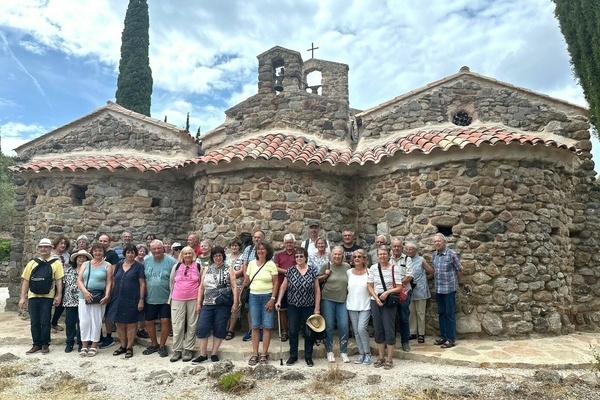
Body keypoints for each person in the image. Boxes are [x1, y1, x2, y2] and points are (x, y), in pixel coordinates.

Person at [275, 246, 320, 367]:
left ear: (305, 257)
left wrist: (317, 308)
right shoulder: (290, 270)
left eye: (301, 256)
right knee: (293, 330)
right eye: (297, 256)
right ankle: (293, 355)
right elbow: (284, 286)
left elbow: (317, 290)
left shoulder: (312, 270)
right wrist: (278, 300)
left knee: (309, 331)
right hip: (293, 305)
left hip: (308, 305)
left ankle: (308, 357)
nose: (299, 258)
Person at [192, 246, 238, 363]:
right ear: (212, 257)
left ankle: (214, 353)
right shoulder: (207, 269)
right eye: (215, 256)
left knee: (220, 327)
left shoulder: (229, 269)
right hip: (207, 303)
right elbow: (201, 288)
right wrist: (199, 303)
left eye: (220, 255)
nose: (218, 258)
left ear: (223, 256)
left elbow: (234, 286)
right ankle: (203, 354)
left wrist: (236, 302)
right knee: (202, 327)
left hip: (223, 303)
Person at [19, 238, 64, 355]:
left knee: (45, 321)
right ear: (38, 249)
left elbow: (59, 281)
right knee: (34, 321)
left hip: (47, 296)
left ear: (50, 249)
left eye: (46, 247)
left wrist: (58, 295)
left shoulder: (56, 263)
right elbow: (26, 281)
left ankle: (45, 344)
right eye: (41, 247)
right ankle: (36, 344)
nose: (43, 249)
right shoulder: (32, 263)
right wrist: (23, 297)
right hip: (33, 296)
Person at [242, 240, 279, 366]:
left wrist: (273, 299)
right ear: (256, 251)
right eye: (259, 249)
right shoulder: (251, 264)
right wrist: (240, 294)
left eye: (263, 249)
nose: (261, 251)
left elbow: (276, 283)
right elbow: (246, 280)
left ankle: (264, 354)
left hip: (267, 296)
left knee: (267, 326)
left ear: (267, 251)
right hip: (254, 297)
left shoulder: (271, 264)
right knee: (255, 326)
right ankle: (254, 353)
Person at [107, 245, 146, 359]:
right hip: (118, 298)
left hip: (132, 299)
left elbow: (142, 284)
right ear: (125, 253)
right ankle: (122, 346)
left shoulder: (139, 267)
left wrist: (141, 300)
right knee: (119, 323)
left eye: (132, 252)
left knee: (131, 324)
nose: (130, 254)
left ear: (135, 254)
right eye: (128, 252)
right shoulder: (119, 265)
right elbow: (114, 281)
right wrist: (110, 295)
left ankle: (129, 347)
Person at [367, 245, 402, 370]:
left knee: (389, 329)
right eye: (380, 254)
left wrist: (386, 293)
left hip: (388, 302)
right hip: (375, 301)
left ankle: (389, 359)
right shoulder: (373, 268)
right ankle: (381, 357)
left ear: (389, 255)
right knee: (378, 329)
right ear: (377, 255)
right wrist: (376, 298)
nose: (382, 256)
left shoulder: (394, 269)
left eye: (384, 254)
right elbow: (370, 285)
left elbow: (399, 287)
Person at [77, 242, 113, 357]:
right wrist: (85, 292)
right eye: (96, 251)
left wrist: (107, 295)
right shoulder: (85, 264)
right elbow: (79, 280)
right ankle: (84, 345)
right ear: (92, 252)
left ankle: (94, 345)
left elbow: (109, 282)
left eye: (100, 251)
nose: (98, 253)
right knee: (84, 321)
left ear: (103, 252)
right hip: (84, 297)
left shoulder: (107, 265)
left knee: (96, 321)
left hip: (99, 298)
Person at [142, 239, 177, 357]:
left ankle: (162, 345)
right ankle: (154, 344)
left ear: (163, 248)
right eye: (154, 249)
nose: (157, 251)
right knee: (148, 321)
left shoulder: (171, 261)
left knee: (165, 321)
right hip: (150, 297)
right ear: (150, 250)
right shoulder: (146, 260)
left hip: (166, 297)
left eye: (159, 248)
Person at [318, 246, 350, 363]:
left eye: (339, 254)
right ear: (332, 255)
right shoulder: (326, 265)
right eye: (335, 254)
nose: (337, 256)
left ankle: (344, 352)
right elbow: (317, 280)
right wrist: (325, 275)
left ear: (342, 256)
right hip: (327, 300)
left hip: (342, 300)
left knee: (344, 326)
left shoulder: (347, 267)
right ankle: (329, 351)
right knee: (329, 326)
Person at [169, 246, 201, 362]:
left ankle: (189, 349)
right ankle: (177, 350)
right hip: (177, 298)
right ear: (182, 255)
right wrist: (171, 298)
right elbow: (171, 282)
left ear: (193, 254)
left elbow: (201, 282)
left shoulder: (198, 266)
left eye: (189, 253)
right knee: (177, 324)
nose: (187, 255)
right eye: (185, 253)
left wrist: (200, 300)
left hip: (193, 298)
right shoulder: (176, 266)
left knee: (192, 325)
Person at [432, 233, 463, 349]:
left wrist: (456, 283)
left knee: (449, 314)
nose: (437, 243)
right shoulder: (434, 255)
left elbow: (460, 269)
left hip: (449, 289)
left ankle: (451, 339)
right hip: (439, 289)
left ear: (444, 242)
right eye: (435, 241)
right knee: (441, 313)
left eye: (439, 241)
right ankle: (444, 337)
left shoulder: (451, 254)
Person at [346, 249, 372, 364]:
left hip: (365, 305)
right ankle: (361, 354)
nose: (357, 258)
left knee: (362, 328)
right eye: (355, 257)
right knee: (356, 331)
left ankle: (367, 353)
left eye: (359, 257)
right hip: (352, 304)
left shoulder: (369, 272)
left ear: (363, 259)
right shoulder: (349, 272)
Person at [405, 241, 434, 343]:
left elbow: (431, 271)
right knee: (411, 311)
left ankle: (421, 333)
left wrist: (424, 280)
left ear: (416, 250)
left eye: (411, 249)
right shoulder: (405, 259)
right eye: (407, 249)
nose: (409, 251)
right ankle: (412, 332)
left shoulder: (421, 260)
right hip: (409, 289)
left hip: (420, 289)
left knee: (420, 312)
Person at [63, 249, 91, 353]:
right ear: (75, 259)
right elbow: (63, 283)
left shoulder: (88, 270)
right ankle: (69, 342)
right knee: (70, 323)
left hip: (83, 300)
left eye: (84, 257)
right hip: (70, 300)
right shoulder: (68, 270)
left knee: (82, 322)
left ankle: (81, 342)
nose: (81, 259)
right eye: (79, 257)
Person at [240, 230, 265, 342]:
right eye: (255, 237)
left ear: (263, 238)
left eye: (259, 237)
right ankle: (251, 330)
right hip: (250, 283)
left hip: (263, 284)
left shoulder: (267, 250)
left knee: (262, 308)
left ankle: (261, 330)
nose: (256, 239)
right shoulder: (248, 249)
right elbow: (245, 264)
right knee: (250, 308)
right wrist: (247, 278)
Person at [390, 238, 414, 352]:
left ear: (401, 247)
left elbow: (409, 276)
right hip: (391, 293)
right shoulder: (387, 260)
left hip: (404, 292)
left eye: (398, 246)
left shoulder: (407, 259)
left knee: (404, 317)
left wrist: (399, 286)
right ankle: (391, 342)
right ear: (391, 247)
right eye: (394, 246)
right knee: (391, 318)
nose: (396, 248)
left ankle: (405, 342)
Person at [98, 233, 120, 349]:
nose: (102, 243)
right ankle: (98, 336)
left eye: (105, 241)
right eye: (101, 241)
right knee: (98, 313)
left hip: (108, 287)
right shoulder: (95, 253)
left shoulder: (112, 254)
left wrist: (110, 289)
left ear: (109, 243)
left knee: (107, 314)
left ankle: (109, 336)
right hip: (97, 288)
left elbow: (113, 273)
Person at [273, 233, 297, 342]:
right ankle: (284, 331)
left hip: (296, 286)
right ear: (284, 243)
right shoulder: (279, 255)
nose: (289, 244)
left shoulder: (298, 254)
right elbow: (276, 268)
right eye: (287, 242)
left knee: (293, 310)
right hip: (282, 285)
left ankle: (293, 330)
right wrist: (289, 271)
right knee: (282, 310)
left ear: (294, 243)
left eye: (291, 242)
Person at [50, 236, 71, 333]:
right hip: (51, 283)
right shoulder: (50, 254)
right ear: (56, 243)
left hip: (63, 283)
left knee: (61, 304)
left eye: (65, 244)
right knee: (49, 304)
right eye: (61, 243)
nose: (63, 245)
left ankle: (54, 323)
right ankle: (47, 325)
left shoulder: (67, 256)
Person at [225, 237, 244, 340]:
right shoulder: (226, 257)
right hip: (226, 285)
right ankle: (225, 328)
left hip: (238, 285)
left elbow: (242, 270)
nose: (234, 247)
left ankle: (231, 330)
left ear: (239, 247)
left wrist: (232, 275)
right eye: (232, 245)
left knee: (235, 307)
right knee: (226, 307)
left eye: (236, 245)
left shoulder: (242, 257)